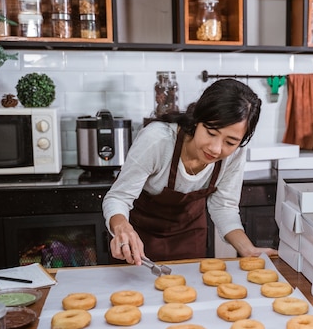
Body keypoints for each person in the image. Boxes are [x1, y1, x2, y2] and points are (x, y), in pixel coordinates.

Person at [103, 78, 278, 265]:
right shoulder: (157, 140)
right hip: (139, 238)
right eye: (211, 133)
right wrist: (122, 228)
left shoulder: (235, 154)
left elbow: (224, 207)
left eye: (230, 142)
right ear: (197, 119)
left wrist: (247, 249)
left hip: (190, 236)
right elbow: (118, 197)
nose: (216, 149)